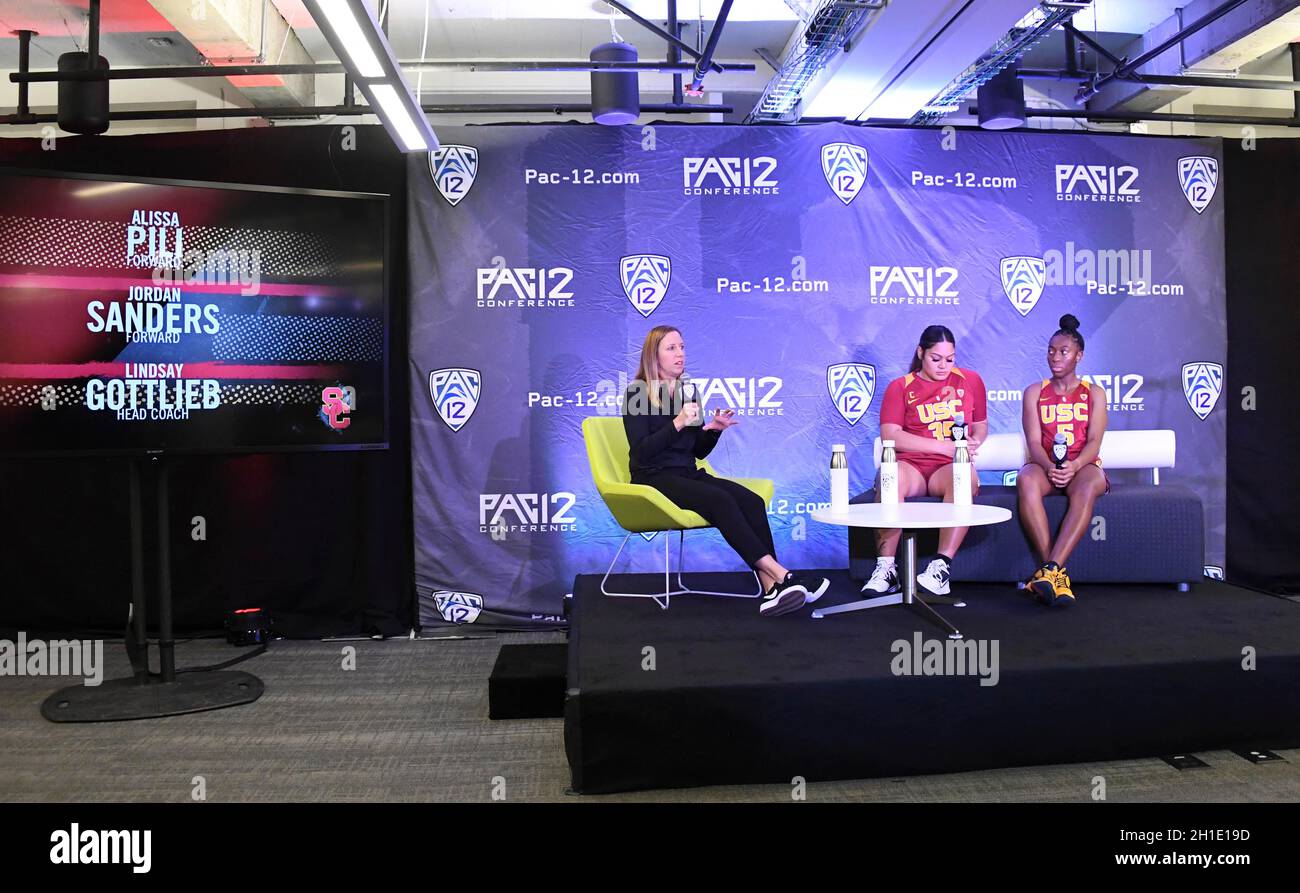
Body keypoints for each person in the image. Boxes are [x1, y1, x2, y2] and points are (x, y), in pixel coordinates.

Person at [622, 326, 828, 617]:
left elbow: (696, 451)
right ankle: (783, 576)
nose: (680, 353)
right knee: (720, 501)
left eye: (682, 346)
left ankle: (771, 591)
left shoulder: (687, 391)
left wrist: (714, 431)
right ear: (653, 356)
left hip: (686, 473)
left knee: (752, 501)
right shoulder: (637, 393)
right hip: (653, 477)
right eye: (671, 348)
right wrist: (678, 423)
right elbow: (641, 452)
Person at [862, 325, 987, 598]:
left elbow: (981, 425)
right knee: (890, 476)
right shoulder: (901, 386)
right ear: (921, 353)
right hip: (913, 466)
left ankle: (940, 569)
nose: (944, 366)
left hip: (949, 468)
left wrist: (974, 440)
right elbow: (890, 436)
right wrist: (944, 447)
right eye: (936, 358)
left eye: (950, 359)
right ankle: (886, 569)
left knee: (962, 476)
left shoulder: (971, 380)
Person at [1016, 314, 1109, 606]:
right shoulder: (1034, 392)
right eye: (1051, 351)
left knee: (1086, 487)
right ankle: (1053, 573)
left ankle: (1049, 571)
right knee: (1025, 479)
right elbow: (1033, 441)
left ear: (1079, 355)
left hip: (1083, 465)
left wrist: (1075, 466)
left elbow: (1094, 441)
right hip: (1045, 465)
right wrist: (1049, 468)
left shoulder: (1094, 393)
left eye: (1063, 351)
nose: (1055, 357)